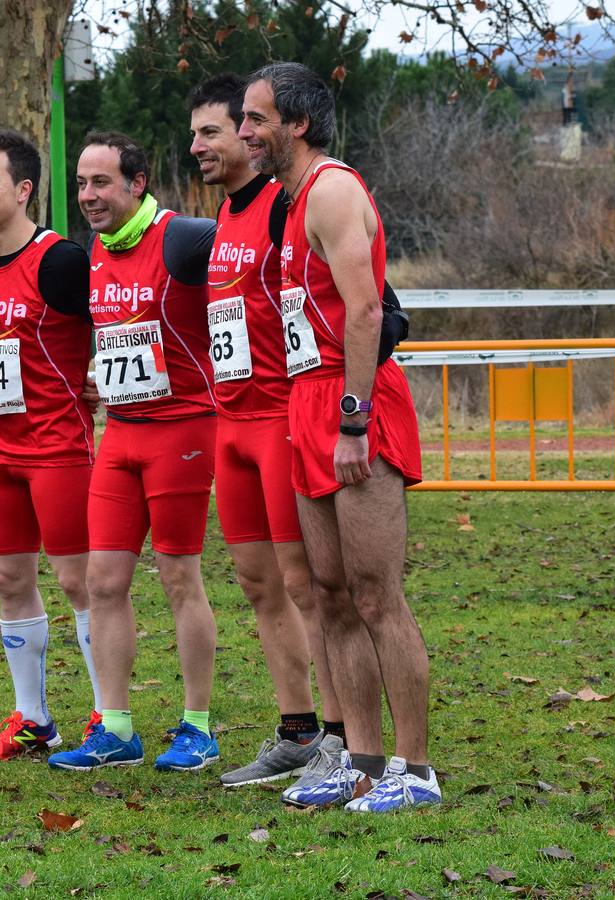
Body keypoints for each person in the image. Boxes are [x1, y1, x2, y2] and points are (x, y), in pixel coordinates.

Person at [239, 62, 438, 811]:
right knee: (328, 594)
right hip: (305, 400)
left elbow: (362, 311)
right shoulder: (285, 204)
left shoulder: (331, 189)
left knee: (373, 592)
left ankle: (414, 772)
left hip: (352, 402)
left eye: (256, 119)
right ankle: (358, 759)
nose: (246, 133)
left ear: (296, 123)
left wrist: (353, 418)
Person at [185, 75, 348, 789]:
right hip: (230, 426)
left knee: (305, 584)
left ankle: (341, 737)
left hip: (283, 417)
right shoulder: (220, 218)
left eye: (213, 131)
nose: (200, 146)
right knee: (256, 583)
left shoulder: (288, 207)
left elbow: (365, 305)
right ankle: (295, 728)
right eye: (195, 135)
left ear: (255, 137)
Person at [49, 132, 219, 773]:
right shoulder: (96, 250)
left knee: (180, 577)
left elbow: (254, 269)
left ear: (138, 183)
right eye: (82, 184)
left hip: (182, 430)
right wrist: (102, 370)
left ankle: (197, 725)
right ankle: (115, 726)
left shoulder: (182, 238)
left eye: (101, 183)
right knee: (102, 581)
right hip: (119, 432)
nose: (88, 196)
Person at [0, 129, 101, 760]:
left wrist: (99, 375)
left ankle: (107, 714)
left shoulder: (60, 260)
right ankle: (34, 717)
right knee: (9, 576)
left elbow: (118, 315)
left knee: (79, 581)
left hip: (57, 447)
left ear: (22, 189)